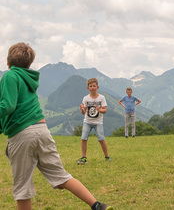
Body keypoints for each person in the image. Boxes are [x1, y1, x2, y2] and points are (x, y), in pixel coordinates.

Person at [0, 42, 113, 210]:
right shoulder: (29, 79)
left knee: (23, 188)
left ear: (8, 61)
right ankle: (97, 205)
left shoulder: (10, 76)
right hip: (42, 130)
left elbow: (8, 106)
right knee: (62, 176)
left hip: (22, 134)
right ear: (29, 63)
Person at [77, 78, 111, 164]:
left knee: (101, 139)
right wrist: (81, 109)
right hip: (87, 121)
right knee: (83, 138)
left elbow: (105, 110)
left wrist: (99, 110)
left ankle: (107, 157)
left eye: (94, 86)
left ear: (97, 87)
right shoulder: (86, 98)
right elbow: (83, 112)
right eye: (90, 86)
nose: (92, 87)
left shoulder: (101, 98)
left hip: (98, 122)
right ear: (88, 88)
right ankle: (84, 157)